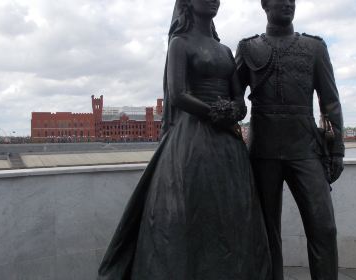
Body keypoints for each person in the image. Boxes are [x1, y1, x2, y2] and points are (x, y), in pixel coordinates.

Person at [97, 0, 272, 278]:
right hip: (192, 141)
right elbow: (178, 94)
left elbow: (240, 99)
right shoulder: (180, 43)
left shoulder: (226, 51)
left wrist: (234, 111)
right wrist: (216, 114)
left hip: (228, 147)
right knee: (192, 212)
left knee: (232, 213)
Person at [235, 0, 345, 279]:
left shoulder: (314, 47)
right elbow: (232, 98)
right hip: (262, 152)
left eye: (291, 0)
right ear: (264, 5)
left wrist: (337, 151)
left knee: (324, 228)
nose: (287, 3)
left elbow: (330, 103)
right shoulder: (248, 48)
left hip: (305, 149)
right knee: (266, 232)